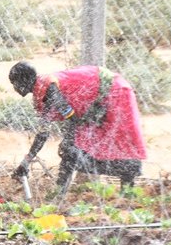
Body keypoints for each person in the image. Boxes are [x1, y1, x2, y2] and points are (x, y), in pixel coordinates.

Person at [8, 61, 146, 196]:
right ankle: (59, 193)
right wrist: (26, 161)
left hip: (114, 91)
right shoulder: (42, 89)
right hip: (99, 101)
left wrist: (69, 140)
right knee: (72, 151)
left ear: (24, 80)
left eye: (15, 83)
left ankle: (127, 189)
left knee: (121, 143)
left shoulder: (49, 88)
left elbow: (71, 118)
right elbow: (43, 133)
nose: (15, 87)